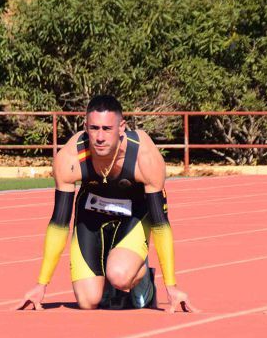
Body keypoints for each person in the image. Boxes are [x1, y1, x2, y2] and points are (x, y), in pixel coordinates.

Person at [18, 94, 196, 313]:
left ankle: (142, 280)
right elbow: (59, 222)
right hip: (90, 216)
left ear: (122, 127)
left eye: (107, 129)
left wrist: (172, 286)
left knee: (119, 275)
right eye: (94, 128)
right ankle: (109, 273)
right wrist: (41, 284)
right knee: (87, 301)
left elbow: (160, 224)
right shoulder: (69, 158)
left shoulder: (145, 158)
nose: (100, 137)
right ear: (85, 127)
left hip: (135, 214)